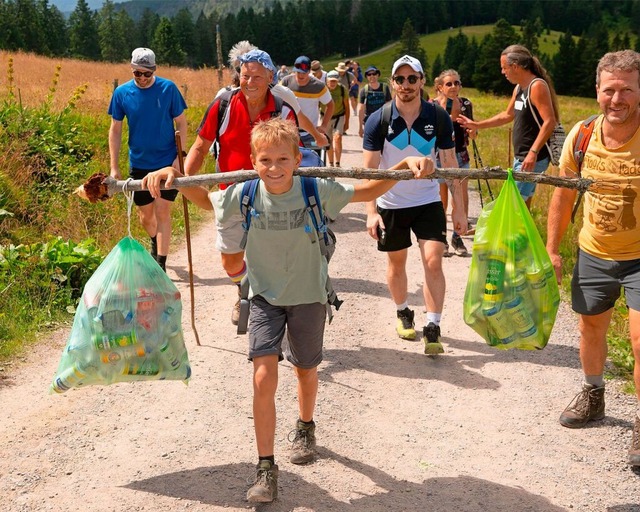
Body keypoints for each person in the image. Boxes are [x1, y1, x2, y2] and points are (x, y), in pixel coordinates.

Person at [142, 117, 434, 503]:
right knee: (263, 377)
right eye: (265, 160)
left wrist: (402, 166)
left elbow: (367, 189)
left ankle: (306, 425)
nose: (274, 168)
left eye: (283, 159)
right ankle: (266, 468)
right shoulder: (245, 194)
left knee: (306, 371)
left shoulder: (315, 190)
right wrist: (173, 177)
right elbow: (205, 198)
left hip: (310, 296)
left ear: (298, 158)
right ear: (252, 160)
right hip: (263, 297)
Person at [546, 49, 640, 467]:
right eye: (609, 90)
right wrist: (552, 249)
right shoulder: (582, 135)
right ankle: (594, 394)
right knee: (589, 330)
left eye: (627, 90)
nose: (617, 99)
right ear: (597, 90)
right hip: (594, 251)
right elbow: (563, 195)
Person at [182, 48, 298, 325]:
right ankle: (246, 289)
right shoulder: (223, 104)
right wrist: (186, 180)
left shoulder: (283, 110)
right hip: (230, 193)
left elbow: (295, 156)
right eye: (245, 75)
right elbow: (201, 145)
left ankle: (273, 303)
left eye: (257, 76)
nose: (250, 82)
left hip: (272, 196)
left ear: (271, 76)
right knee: (231, 262)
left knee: (271, 256)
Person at [362, 55, 467, 355]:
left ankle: (433, 326)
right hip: (390, 203)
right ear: (392, 83)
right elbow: (369, 171)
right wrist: (371, 212)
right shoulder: (379, 119)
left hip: (427, 200)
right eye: (400, 79)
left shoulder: (437, 117)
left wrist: (458, 208)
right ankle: (403, 311)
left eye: (412, 79)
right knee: (396, 263)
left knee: (434, 260)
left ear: (422, 81)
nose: (406, 85)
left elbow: (450, 162)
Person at [108, 47, 187, 272]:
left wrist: (180, 158)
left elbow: (181, 122)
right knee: (145, 217)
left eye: (147, 74)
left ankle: (160, 264)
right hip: (140, 164)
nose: (142, 78)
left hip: (166, 164)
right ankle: (155, 241)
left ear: (154, 71)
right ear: (131, 70)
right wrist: (114, 167)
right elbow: (115, 130)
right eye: (137, 73)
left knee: (162, 212)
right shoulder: (122, 93)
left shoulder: (168, 89)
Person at [458, 44, 560, 209]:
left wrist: (533, 153)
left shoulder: (537, 86)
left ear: (515, 66)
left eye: (504, 68)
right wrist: (477, 124)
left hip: (532, 157)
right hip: (522, 157)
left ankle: (503, 234)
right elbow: (507, 115)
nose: (502, 72)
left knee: (511, 204)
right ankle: (523, 234)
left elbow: (550, 121)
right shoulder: (520, 88)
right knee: (522, 204)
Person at [222, 41, 328, 148]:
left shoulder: (224, 96)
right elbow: (300, 118)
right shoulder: (282, 93)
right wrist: (318, 137)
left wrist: (317, 136)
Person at [433, 69, 477, 257]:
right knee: (441, 201)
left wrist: (473, 132)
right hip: (439, 157)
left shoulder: (466, 103)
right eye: (449, 83)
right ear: (440, 87)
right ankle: (441, 237)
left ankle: (457, 235)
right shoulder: (432, 106)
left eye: (457, 83)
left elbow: (472, 127)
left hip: (461, 155)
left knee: (460, 199)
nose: (454, 87)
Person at [281, 56, 334, 148]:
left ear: (309, 71)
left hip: (310, 134)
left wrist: (324, 125)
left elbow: (330, 105)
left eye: (304, 72)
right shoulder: (286, 82)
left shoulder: (319, 86)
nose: (300, 75)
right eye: (298, 72)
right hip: (288, 133)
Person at [358, 65, 392, 138]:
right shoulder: (364, 90)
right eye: (369, 74)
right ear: (366, 76)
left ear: (378, 75)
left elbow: (389, 105)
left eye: (374, 74)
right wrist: (360, 127)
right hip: (369, 120)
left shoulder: (384, 88)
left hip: (382, 120)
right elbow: (361, 109)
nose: (372, 76)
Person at [324, 70, 349, 167]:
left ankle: (338, 163)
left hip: (339, 116)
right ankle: (331, 163)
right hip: (326, 117)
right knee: (328, 140)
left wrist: (347, 122)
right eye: (331, 81)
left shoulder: (342, 89)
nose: (333, 83)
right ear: (327, 81)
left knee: (338, 138)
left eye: (335, 81)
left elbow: (346, 106)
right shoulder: (323, 90)